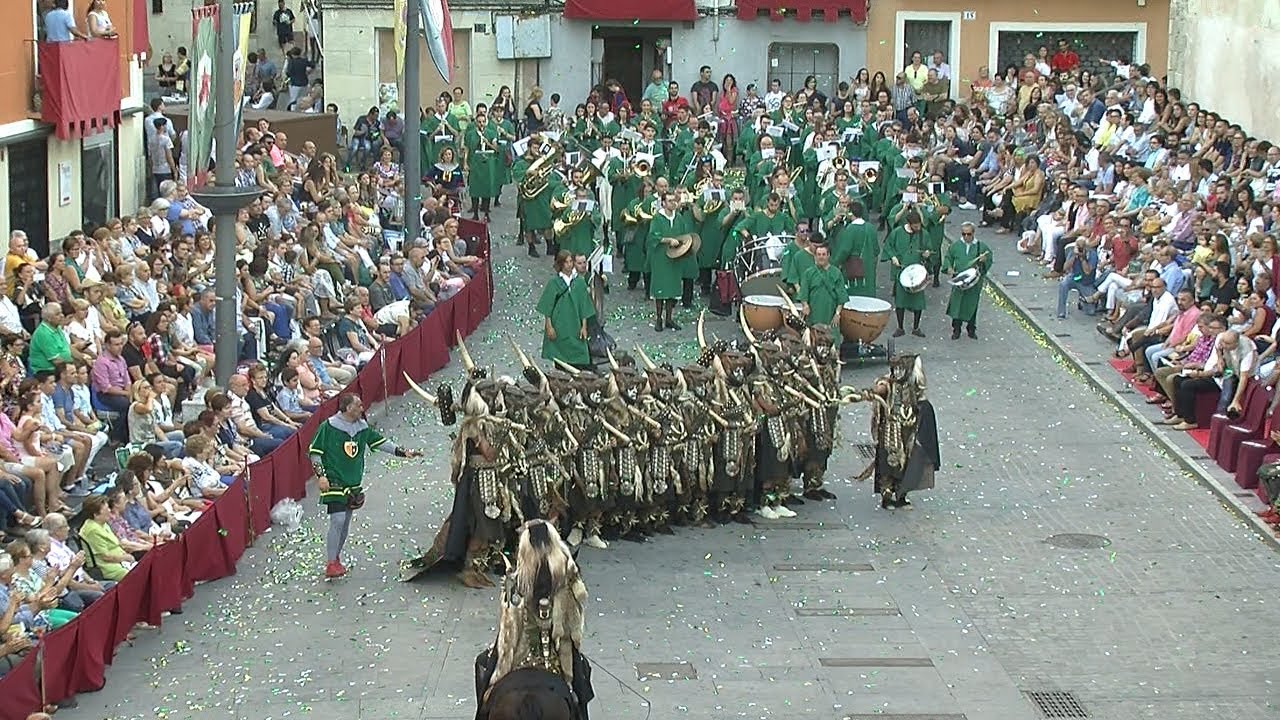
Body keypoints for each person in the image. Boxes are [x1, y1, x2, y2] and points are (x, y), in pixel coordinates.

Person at [473, 520, 593, 720]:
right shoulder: (568, 580)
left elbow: (508, 635)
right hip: (555, 661)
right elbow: (573, 629)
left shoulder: (515, 583)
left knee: (481, 663)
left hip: (518, 659)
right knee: (582, 680)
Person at [309, 394, 420, 578]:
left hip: (352, 484)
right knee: (337, 521)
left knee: (344, 524)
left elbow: (380, 442)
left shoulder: (362, 428)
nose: (362, 408)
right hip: (334, 482)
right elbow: (315, 452)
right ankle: (330, 562)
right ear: (347, 408)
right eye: (358, 405)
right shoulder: (327, 427)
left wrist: (402, 452)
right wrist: (321, 476)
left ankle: (336, 558)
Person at [858, 353, 939, 509]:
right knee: (889, 461)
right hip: (890, 429)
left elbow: (921, 403)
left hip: (909, 429)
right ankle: (886, 496)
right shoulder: (888, 382)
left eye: (901, 369)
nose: (898, 372)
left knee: (907, 462)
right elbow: (880, 389)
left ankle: (901, 494)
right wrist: (871, 393)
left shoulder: (913, 385)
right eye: (895, 369)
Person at [536, 251, 594, 369]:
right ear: (561, 264)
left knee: (580, 355)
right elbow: (548, 307)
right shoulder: (554, 283)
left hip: (575, 326)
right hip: (559, 326)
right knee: (560, 358)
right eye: (566, 262)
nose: (569, 265)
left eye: (571, 261)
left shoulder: (579, 282)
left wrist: (584, 327)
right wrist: (549, 326)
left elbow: (584, 306)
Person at [880, 211, 927, 337]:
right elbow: (888, 246)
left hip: (917, 272)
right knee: (900, 301)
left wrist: (926, 254)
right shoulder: (897, 232)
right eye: (916, 226)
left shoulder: (923, 234)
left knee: (918, 302)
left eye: (919, 225)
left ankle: (916, 328)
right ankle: (900, 327)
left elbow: (928, 248)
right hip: (901, 271)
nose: (918, 228)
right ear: (909, 224)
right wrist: (893, 257)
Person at [942, 222, 991, 340]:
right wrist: (948, 267)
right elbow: (948, 257)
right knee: (956, 305)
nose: (966, 237)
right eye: (963, 234)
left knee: (972, 305)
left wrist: (984, 261)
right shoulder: (956, 246)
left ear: (973, 233)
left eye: (968, 234)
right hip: (959, 279)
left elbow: (989, 259)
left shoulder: (981, 246)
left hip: (974, 281)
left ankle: (971, 329)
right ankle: (956, 329)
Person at [797, 243, 847, 329]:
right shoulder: (809, 273)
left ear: (828, 256)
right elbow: (803, 293)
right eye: (818, 254)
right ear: (815, 256)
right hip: (813, 314)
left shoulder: (836, 273)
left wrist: (837, 313)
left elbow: (841, 296)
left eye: (824, 254)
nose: (821, 257)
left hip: (831, 314)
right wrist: (805, 305)